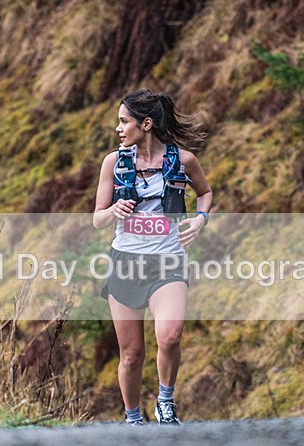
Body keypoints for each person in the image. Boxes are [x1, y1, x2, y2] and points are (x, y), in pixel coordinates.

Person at [92, 89, 213, 426]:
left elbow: (205, 193)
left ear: (146, 124)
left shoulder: (183, 160)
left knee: (170, 335)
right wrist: (114, 209)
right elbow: (97, 218)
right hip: (126, 262)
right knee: (131, 355)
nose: (118, 128)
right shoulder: (114, 163)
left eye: (124, 121)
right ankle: (133, 419)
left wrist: (200, 219)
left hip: (168, 260)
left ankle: (165, 402)